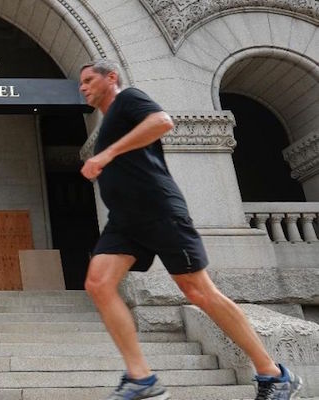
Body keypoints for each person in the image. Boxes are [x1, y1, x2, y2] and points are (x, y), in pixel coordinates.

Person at [78, 59, 303, 400]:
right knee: (98, 283)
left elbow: (162, 122)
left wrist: (106, 155)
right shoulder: (112, 117)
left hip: (159, 210)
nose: (82, 87)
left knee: (198, 291)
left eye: (88, 80)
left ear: (111, 77)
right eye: (81, 83)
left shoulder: (128, 99)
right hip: (126, 220)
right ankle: (142, 380)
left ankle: (273, 374)